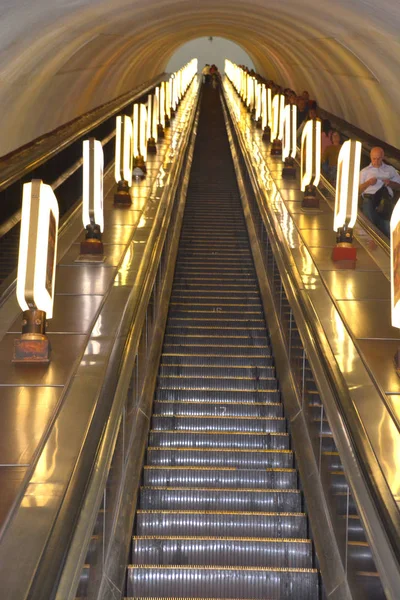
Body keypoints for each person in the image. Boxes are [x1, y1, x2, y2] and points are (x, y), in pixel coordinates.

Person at [359, 146, 400, 236]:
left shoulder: (390, 170)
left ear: (382, 157)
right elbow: (357, 191)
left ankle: (388, 242)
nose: (376, 161)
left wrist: (390, 183)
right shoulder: (364, 172)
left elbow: (398, 186)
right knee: (370, 217)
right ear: (370, 157)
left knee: (386, 225)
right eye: (374, 159)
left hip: (385, 199)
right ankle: (372, 235)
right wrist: (368, 183)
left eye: (378, 159)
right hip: (369, 198)